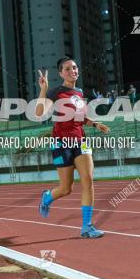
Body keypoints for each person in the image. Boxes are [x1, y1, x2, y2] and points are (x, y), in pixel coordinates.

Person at [36, 57, 110, 239]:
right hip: (61, 142)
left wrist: (94, 124)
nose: (72, 71)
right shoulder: (55, 92)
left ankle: (87, 227)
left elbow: (78, 117)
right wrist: (43, 90)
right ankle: (47, 197)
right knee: (66, 188)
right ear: (61, 73)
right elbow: (39, 113)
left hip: (81, 141)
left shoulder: (78, 92)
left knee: (88, 180)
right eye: (67, 69)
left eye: (74, 68)